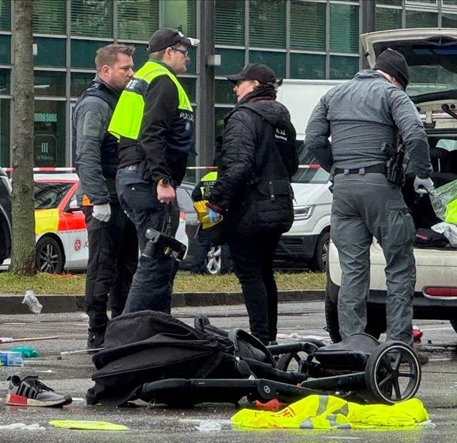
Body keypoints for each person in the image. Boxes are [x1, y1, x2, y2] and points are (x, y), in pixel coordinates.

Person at [304, 49, 432, 362]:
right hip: (380, 189)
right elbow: (415, 135)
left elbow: (312, 138)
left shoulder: (334, 95)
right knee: (399, 266)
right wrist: (422, 175)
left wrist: (335, 167)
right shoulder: (392, 95)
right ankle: (401, 348)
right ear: (397, 79)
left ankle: (353, 348)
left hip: (344, 192)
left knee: (352, 273)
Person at [204, 64, 298, 346]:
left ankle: (259, 339)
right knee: (265, 270)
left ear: (254, 85)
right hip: (279, 204)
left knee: (249, 273)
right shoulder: (282, 120)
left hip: (251, 207)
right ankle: (268, 337)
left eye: (239, 83)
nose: (235, 88)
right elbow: (291, 165)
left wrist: (217, 202)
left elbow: (237, 167)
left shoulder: (243, 118)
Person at [108, 28, 198, 314]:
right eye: (184, 52)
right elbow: (152, 134)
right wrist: (162, 179)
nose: (188, 59)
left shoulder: (142, 78)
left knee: (158, 258)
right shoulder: (162, 80)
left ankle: (155, 328)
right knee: (156, 259)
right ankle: (134, 331)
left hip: (133, 177)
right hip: (147, 180)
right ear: (169, 52)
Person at [73, 43, 137, 349]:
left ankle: (120, 329)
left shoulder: (117, 100)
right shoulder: (97, 103)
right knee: (102, 266)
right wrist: (97, 199)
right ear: (106, 70)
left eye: (131, 66)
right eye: (125, 67)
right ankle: (98, 332)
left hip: (121, 197)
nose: (131, 72)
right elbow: (86, 153)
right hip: (105, 198)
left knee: (125, 266)